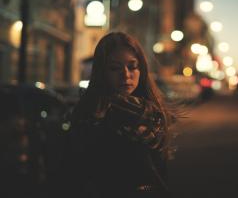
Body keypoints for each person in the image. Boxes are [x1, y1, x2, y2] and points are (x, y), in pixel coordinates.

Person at [58, 32, 174, 197]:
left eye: (132, 66)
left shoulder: (151, 113)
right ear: (102, 72)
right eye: (114, 68)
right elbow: (73, 174)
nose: (126, 75)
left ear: (141, 69)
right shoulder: (89, 114)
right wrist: (95, 124)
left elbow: (160, 174)